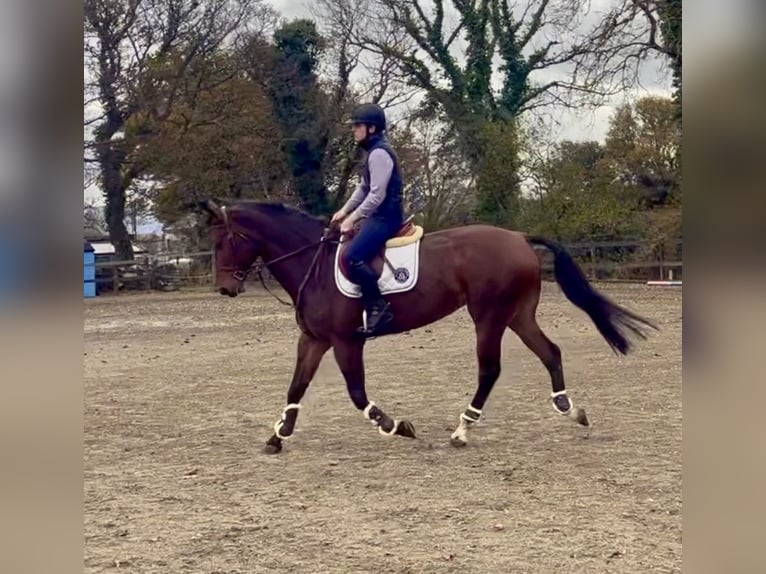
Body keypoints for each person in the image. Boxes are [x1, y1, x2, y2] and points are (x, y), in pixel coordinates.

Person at [332, 102, 405, 336]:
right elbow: (363, 188)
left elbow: (376, 195)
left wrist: (352, 219)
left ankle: (379, 307)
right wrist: (344, 211)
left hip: (386, 218)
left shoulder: (380, 154)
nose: (354, 129)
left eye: (357, 125)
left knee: (352, 256)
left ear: (371, 128)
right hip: (378, 216)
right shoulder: (373, 152)